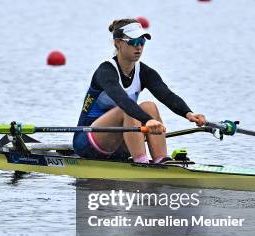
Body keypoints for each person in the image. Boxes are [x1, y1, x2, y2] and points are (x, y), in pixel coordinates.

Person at [73, 18, 206, 164]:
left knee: (149, 106)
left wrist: (189, 114)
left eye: (142, 42)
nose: (139, 47)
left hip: (122, 141)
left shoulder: (144, 72)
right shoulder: (105, 71)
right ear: (118, 43)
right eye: (133, 42)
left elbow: (167, 95)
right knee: (126, 109)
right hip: (88, 140)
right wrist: (147, 120)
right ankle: (141, 162)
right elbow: (122, 100)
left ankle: (161, 160)